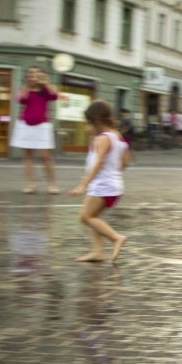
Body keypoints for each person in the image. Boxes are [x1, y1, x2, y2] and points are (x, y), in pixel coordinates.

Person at [68, 100, 129, 263]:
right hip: (115, 186)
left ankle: (116, 238)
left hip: (102, 187)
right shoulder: (117, 136)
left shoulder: (102, 138)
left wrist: (84, 184)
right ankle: (98, 252)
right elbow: (125, 162)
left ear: (95, 121)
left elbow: (99, 162)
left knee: (85, 217)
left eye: (87, 123)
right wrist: (113, 173)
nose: (86, 127)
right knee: (95, 218)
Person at [11, 67, 59, 194]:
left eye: (36, 74)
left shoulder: (46, 90)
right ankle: (30, 185)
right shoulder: (25, 88)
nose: (33, 76)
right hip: (25, 125)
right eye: (31, 74)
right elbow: (21, 100)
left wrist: (45, 83)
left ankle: (52, 184)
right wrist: (27, 86)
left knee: (46, 156)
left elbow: (54, 96)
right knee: (28, 156)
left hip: (42, 126)